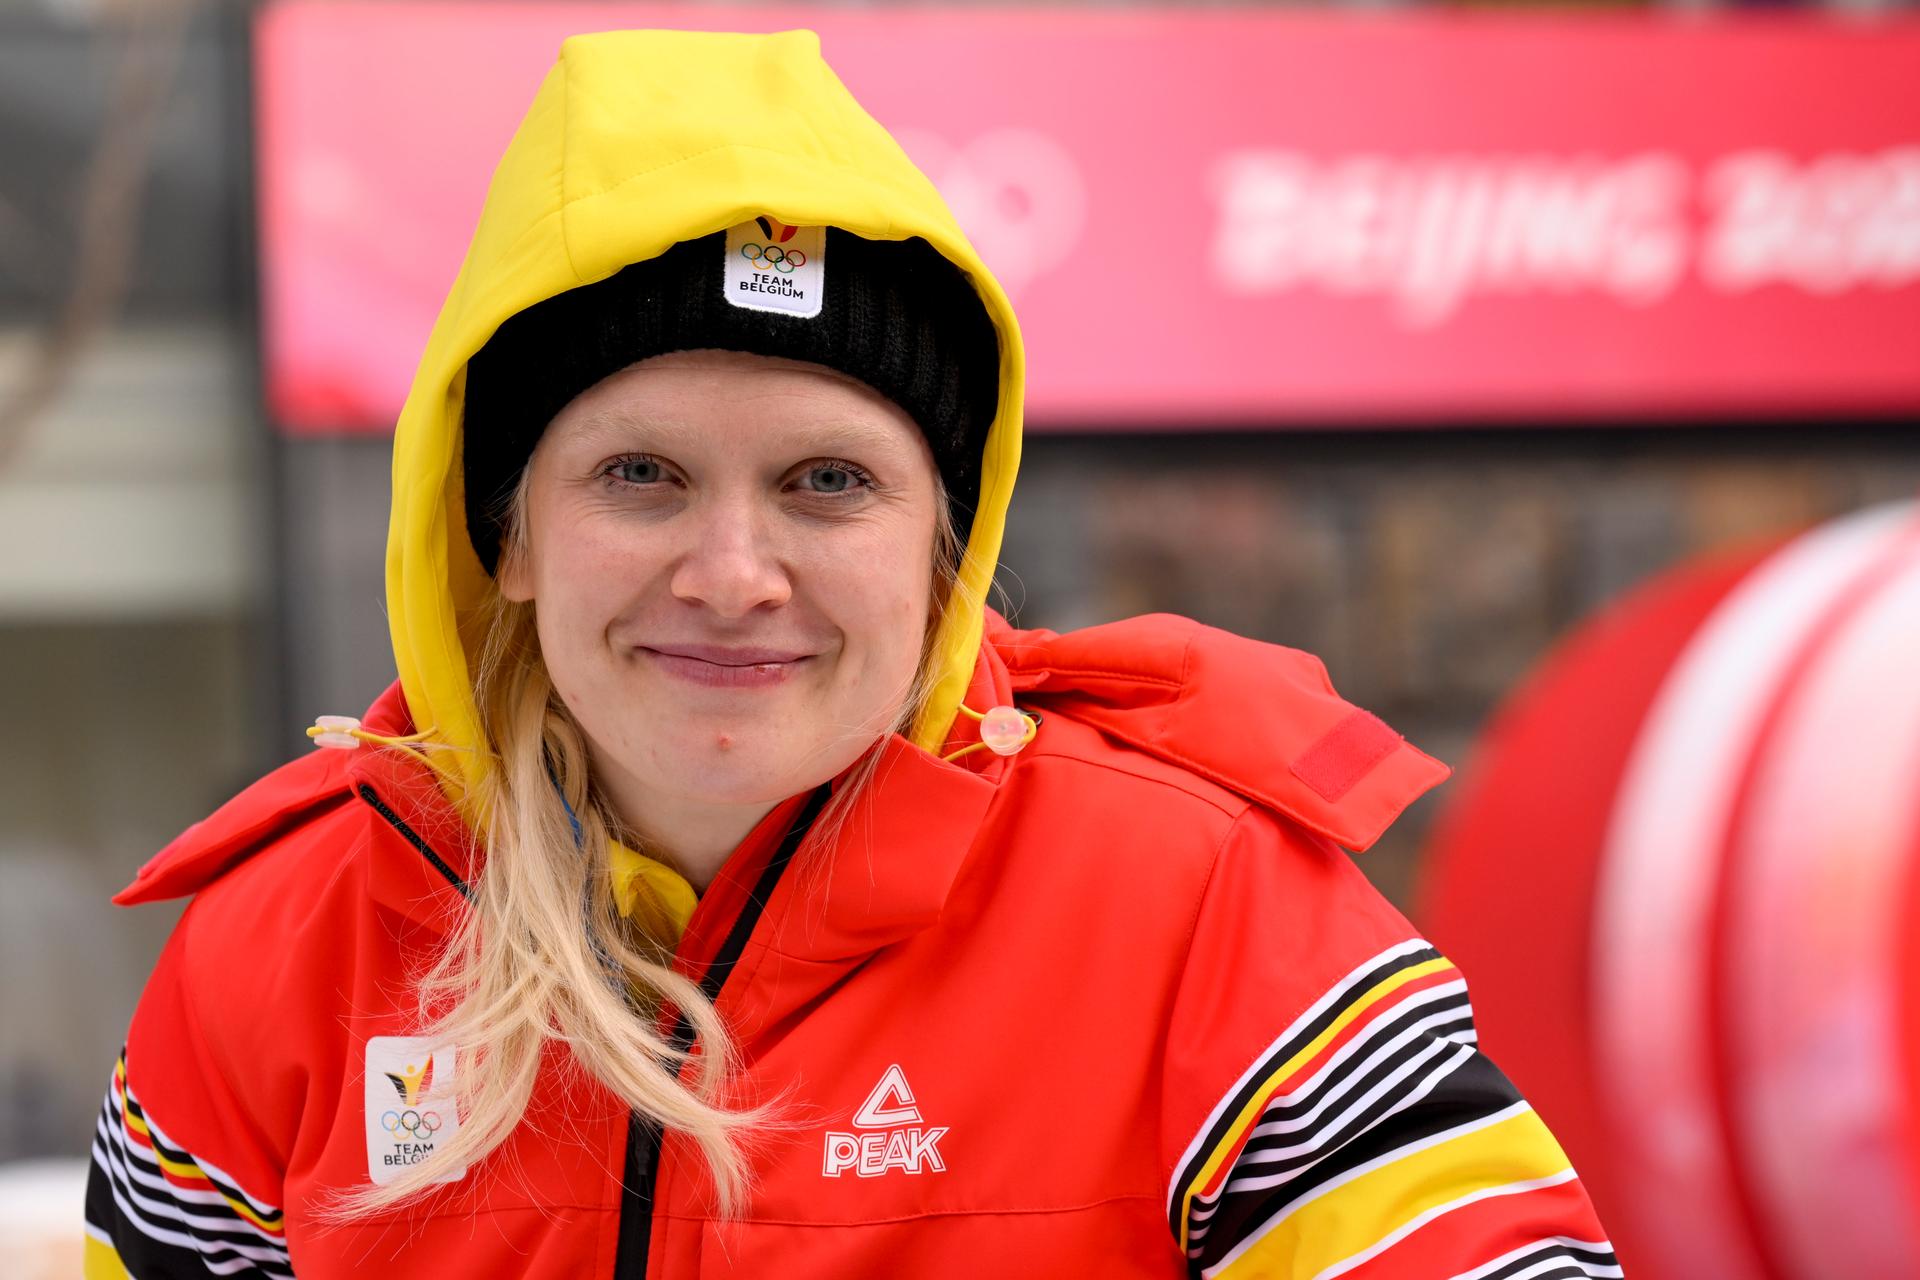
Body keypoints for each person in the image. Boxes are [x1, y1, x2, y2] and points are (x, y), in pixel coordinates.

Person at [82, 28, 1619, 1280]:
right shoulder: (288, 944)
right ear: (508, 538)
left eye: (830, 483)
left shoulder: (1199, 902)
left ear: (942, 546)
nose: (734, 575)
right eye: (641, 476)